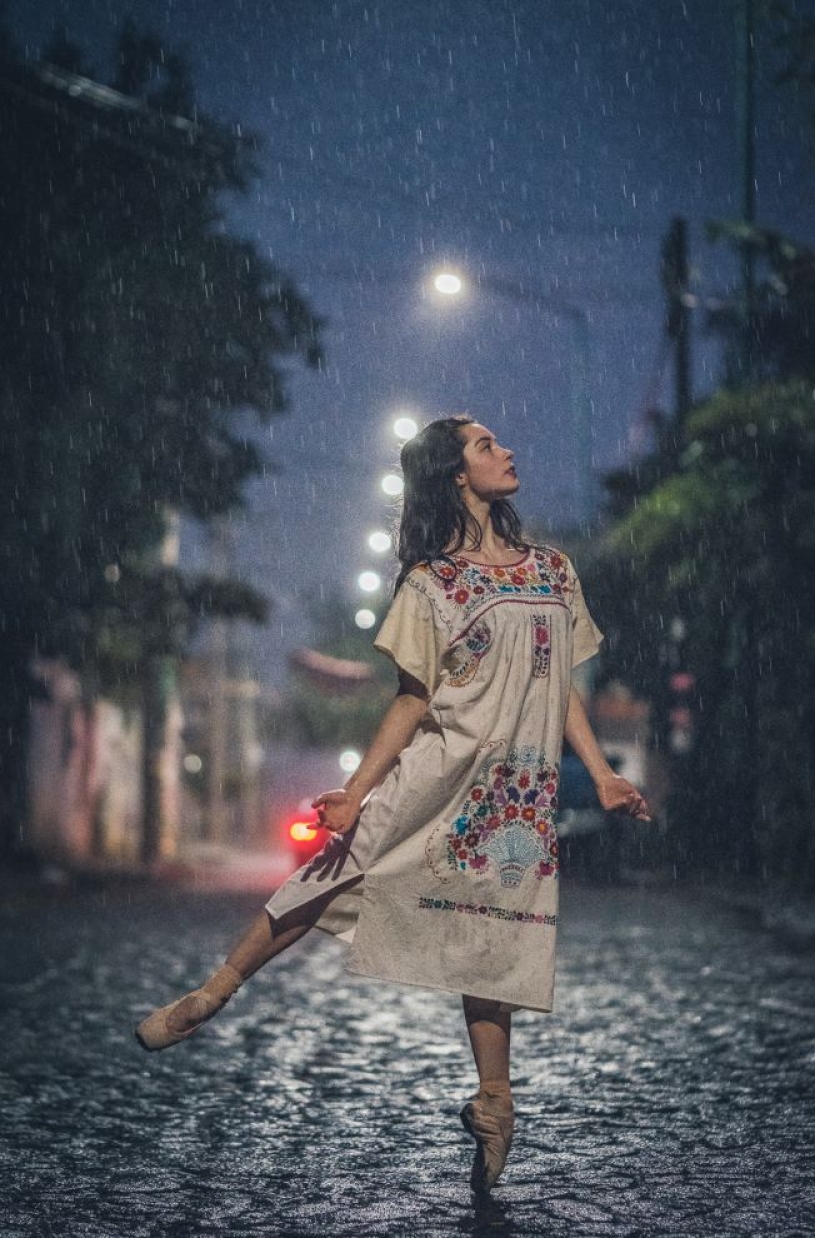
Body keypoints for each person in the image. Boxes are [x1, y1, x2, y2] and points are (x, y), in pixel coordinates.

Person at [136, 415, 650, 1193]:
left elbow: (564, 688)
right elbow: (412, 701)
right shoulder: (430, 582)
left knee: (494, 944)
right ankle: (213, 993)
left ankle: (496, 1105)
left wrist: (603, 774)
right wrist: (357, 791)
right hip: (434, 772)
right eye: (485, 446)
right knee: (332, 872)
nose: (507, 452)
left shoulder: (553, 570)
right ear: (454, 474)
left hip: (512, 798)